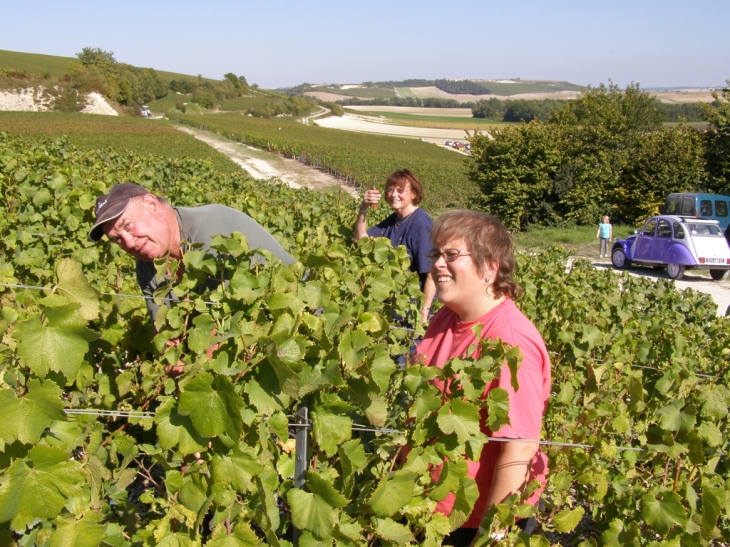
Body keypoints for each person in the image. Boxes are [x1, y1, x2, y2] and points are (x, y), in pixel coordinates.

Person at [414, 210, 551, 546]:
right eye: (437, 254)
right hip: (430, 507)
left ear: (490, 267)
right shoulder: (446, 317)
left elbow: (519, 448)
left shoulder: (510, 341)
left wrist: (491, 537)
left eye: (452, 255)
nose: (439, 264)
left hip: (473, 520)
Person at [88, 182, 296, 321]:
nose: (128, 243)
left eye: (128, 226)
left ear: (152, 205)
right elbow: (163, 332)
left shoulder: (211, 231)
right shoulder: (146, 267)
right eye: (117, 239)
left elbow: (223, 323)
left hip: (295, 313)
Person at [354, 170, 436, 323]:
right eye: (390, 190)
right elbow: (360, 241)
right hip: (394, 304)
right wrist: (364, 208)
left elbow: (432, 273)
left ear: (414, 194)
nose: (393, 194)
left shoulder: (421, 225)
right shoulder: (395, 219)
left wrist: (424, 314)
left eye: (400, 190)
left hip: (411, 310)